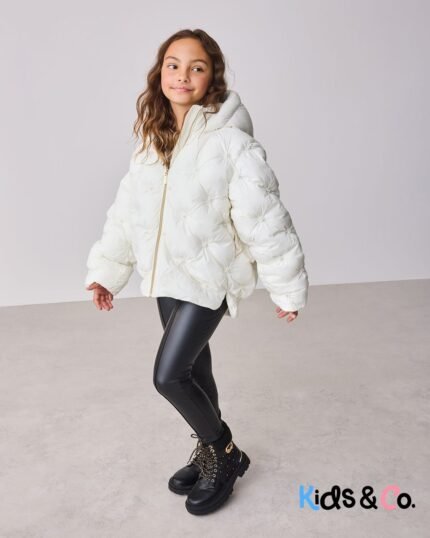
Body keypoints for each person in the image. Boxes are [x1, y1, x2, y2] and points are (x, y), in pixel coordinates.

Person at [84, 28, 309, 516]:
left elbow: (265, 219)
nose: (182, 75)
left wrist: (286, 287)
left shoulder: (231, 142)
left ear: (212, 78)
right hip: (167, 277)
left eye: (196, 67)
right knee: (195, 369)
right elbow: (127, 213)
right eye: (173, 64)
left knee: (169, 376)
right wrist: (108, 271)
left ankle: (224, 453)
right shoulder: (152, 140)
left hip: (211, 277)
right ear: (160, 73)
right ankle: (210, 451)